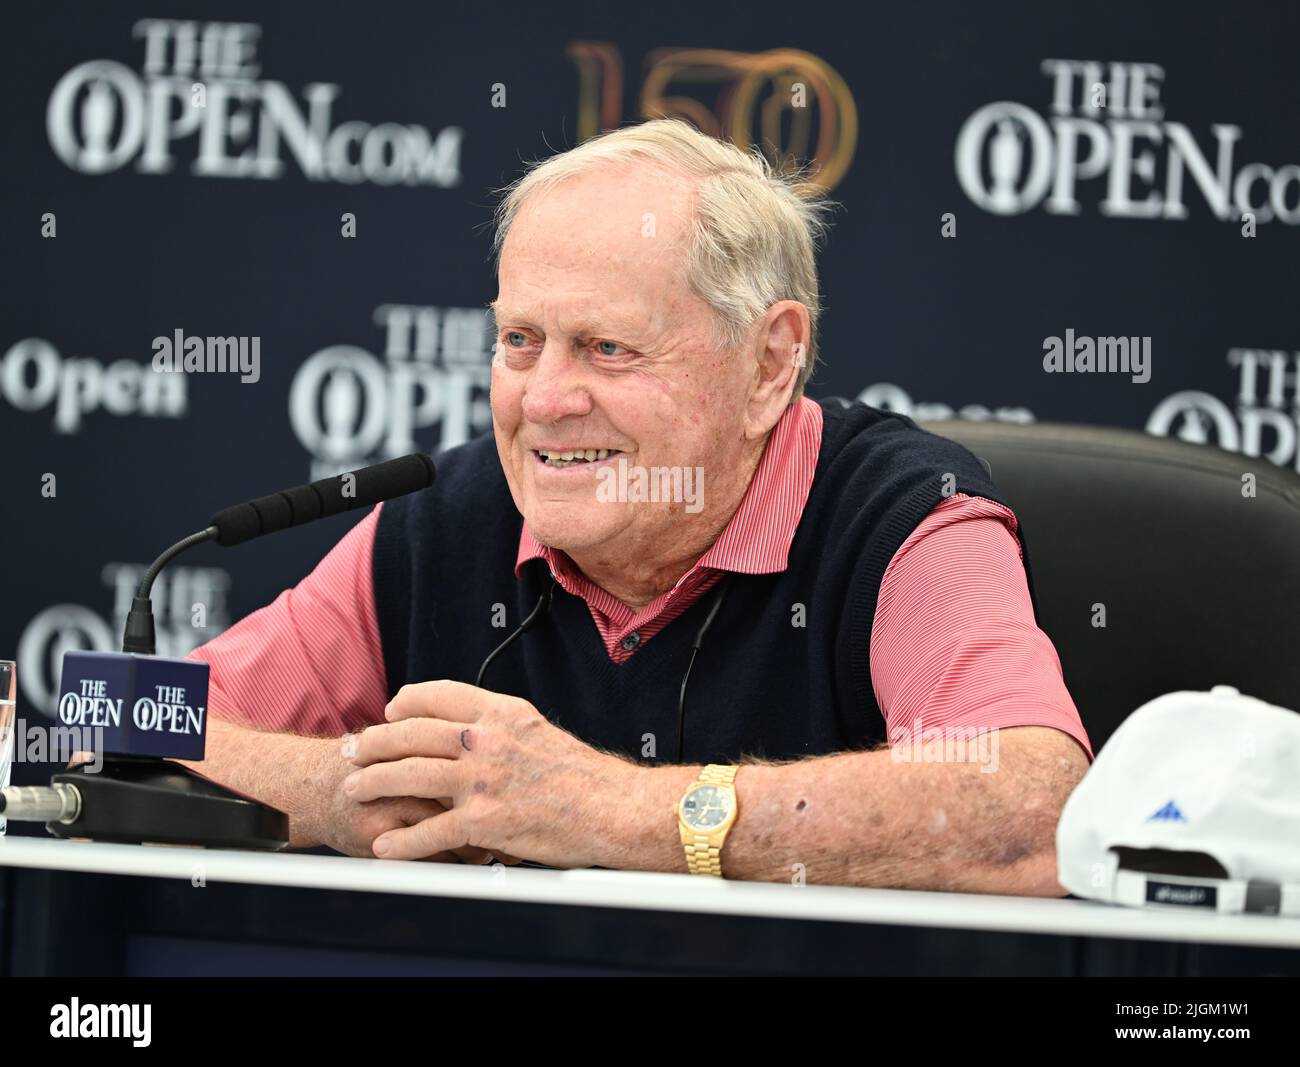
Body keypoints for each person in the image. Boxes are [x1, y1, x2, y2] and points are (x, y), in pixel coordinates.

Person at [183, 118, 1090, 892]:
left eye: (608, 348)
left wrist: (606, 811)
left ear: (770, 363)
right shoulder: (445, 519)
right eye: (520, 340)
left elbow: (1026, 809)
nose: (544, 400)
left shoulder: (906, 521)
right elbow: (123, 722)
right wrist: (345, 789)